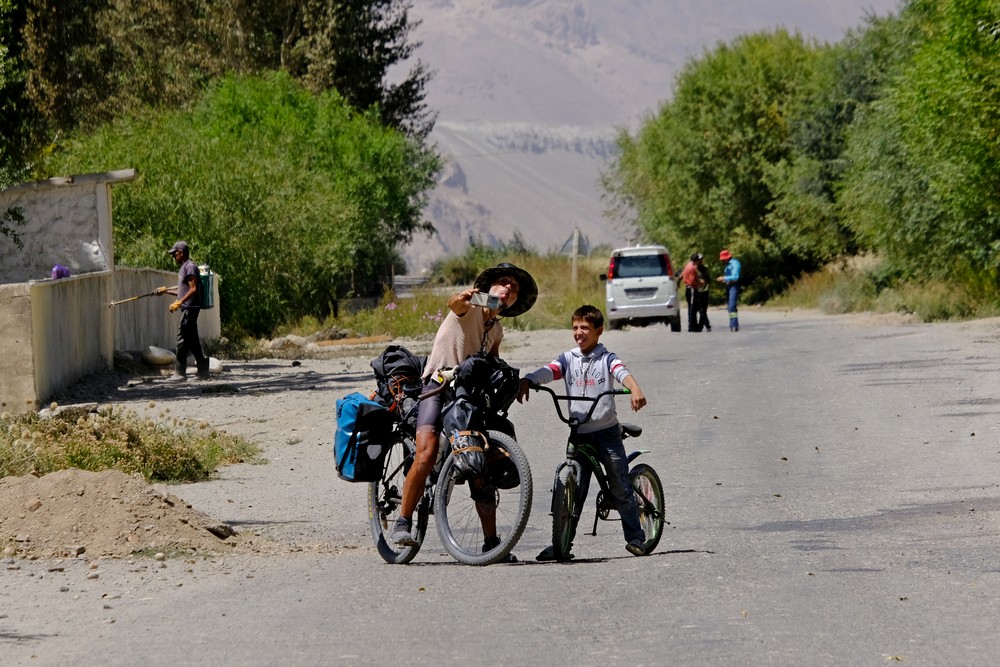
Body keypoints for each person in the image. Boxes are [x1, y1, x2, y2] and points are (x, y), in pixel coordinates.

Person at [390, 262, 538, 556]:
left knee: (478, 461)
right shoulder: (467, 309)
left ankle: (492, 543)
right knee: (427, 451)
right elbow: (454, 303)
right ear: (488, 288)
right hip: (437, 387)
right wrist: (469, 297)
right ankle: (402, 522)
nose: (508, 290)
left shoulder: (496, 329)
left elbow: (494, 363)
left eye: (514, 289)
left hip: (466, 396)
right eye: (504, 283)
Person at [516, 304, 649, 560]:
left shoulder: (606, 358)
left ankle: (636, 538)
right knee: (574, 492)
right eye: (575, 327)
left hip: (606, 433)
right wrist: (529, 379)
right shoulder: (568, 359)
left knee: (620, 487)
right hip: (578, 433)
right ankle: (561, 545)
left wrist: (635, 389)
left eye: (585, 328)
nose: (579, 332)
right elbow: (550, 371)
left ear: (599, 330)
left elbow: (622, 373)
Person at [155, 241, 209, 382]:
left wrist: (179, 302)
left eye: (175, 253)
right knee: (192, 340)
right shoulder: (184, 268)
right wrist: (166, 291)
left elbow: (193, 289)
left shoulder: (189, 267)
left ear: (181, 253)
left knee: (181, 339)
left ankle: (179, 373)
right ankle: (203, 371)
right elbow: (182, 291)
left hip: (190, 309)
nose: (173, 256)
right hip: (187, 307)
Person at [716, 249, 741, 332]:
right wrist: (725, 280)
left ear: (727, 258)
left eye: (723, 259)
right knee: (730, 307)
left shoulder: (735, 264)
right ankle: (733, 324)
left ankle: (734, 325)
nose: (722, 261)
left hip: (734, 286)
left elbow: (735, 277)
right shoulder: (727, 265)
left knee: (732, 306)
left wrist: (724, 278)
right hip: (728, 286)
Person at [680, 252, 706, 332]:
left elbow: (682, 275)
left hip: (690, 289)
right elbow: (692, 281)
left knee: (693, 308)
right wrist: (700, 283)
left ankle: (693, 326)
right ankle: (692, 327)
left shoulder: (688, 265)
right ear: (696, 260)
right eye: (699, 260)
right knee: (692, 308)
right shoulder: (692, 268)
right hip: (691, 289)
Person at [695, 256, 712, 332]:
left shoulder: (704, 269)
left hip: (704, 291)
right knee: (701, 311)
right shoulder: (693, 269)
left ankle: (702, 326)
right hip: (697, 291)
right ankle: (705, 325)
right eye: (699, 260)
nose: (700, 261)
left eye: (701, 260)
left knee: (703, 310)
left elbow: (709, 280)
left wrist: (704, 283)